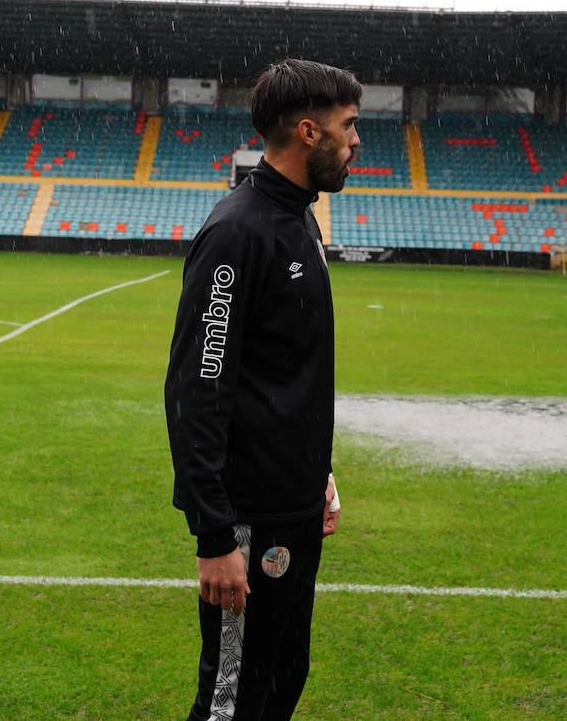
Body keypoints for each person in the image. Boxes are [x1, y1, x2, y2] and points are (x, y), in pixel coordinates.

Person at [164, 58, 361, 720]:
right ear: (309, 132)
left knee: (281, 683)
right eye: (349, 126)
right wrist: (214, 536)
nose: (357, 141)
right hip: (247, 522)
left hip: (296, 508)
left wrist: (317, 474)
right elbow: (197, 388)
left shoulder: (299, 221)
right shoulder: (237, 233)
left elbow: (286, 373)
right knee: (233, 704)